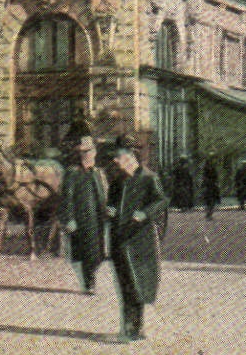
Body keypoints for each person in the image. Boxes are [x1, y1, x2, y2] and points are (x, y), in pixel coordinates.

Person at [108, 145, 168, 342]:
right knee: (124, 283)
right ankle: (128, 327)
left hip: (140, 239)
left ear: (130, 157)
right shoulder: (117, 181)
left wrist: (145, 213)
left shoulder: (149, 178)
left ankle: (137, 327)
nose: (116, 164)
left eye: (119, 159)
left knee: (138, 282)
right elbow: (111, 203)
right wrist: (110, 210)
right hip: (120, 239)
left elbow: (161, 201)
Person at [60, 136, 111, 294]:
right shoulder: (73, 173)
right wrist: (69, 219)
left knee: (98, 254)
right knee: (87, 252)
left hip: (98, 218)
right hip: (82, 218)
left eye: (88, 151)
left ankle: (90, 277)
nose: (85, 155)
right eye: (82, 152)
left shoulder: (98, 172)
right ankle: (89, 283)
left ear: (94, 152)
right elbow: (67, 197)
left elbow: (104, 192)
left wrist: (109, 209)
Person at [199, 156, 221, 221]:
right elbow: (215, 177)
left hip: (209, 186)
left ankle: (208, 213)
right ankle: (209, 213)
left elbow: (204, 178)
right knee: (211, 201)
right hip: (211, 186)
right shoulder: (211, 169)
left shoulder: (206, 169)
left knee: (208, 201)